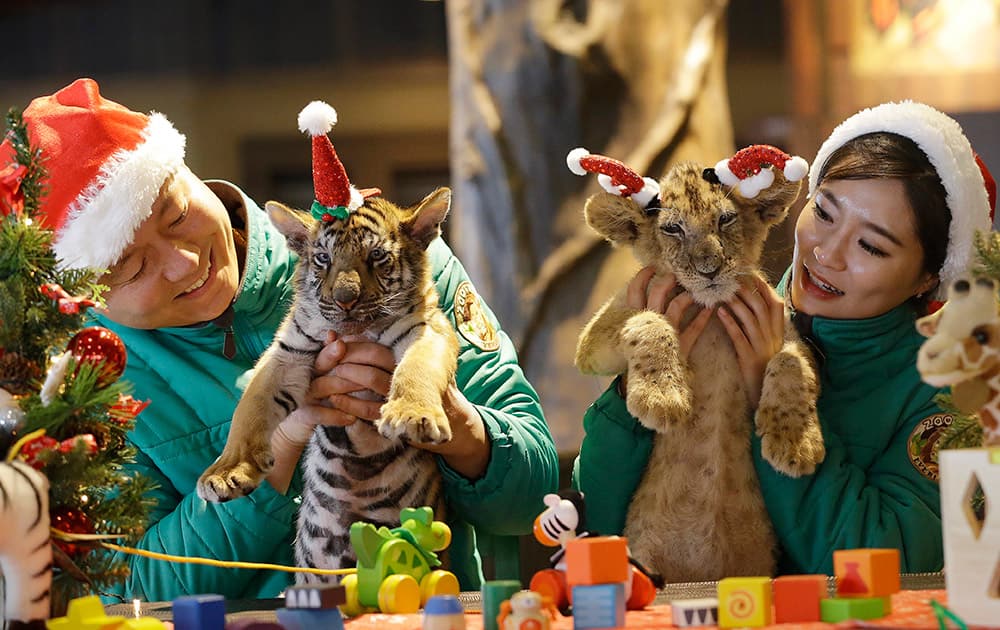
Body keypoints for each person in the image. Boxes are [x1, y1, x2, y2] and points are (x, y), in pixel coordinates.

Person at [3, 77, 559, 600]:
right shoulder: (84, 380)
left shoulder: (395, 258)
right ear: (89, 288)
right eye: (131, 265)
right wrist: (282, 442)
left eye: (175, 215)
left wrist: (452, 419)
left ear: (189, 172)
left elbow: (533, 495)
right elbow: (128, 586)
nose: (185, 261)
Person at [573, 101, 997, 575]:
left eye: (871, 245)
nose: (827, 252)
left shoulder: (951, 396)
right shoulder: (705, 310)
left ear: (928, 278)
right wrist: (637, 386)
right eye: (825, 212)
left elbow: (887, 561)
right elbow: (600, 518)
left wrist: (769, 394)